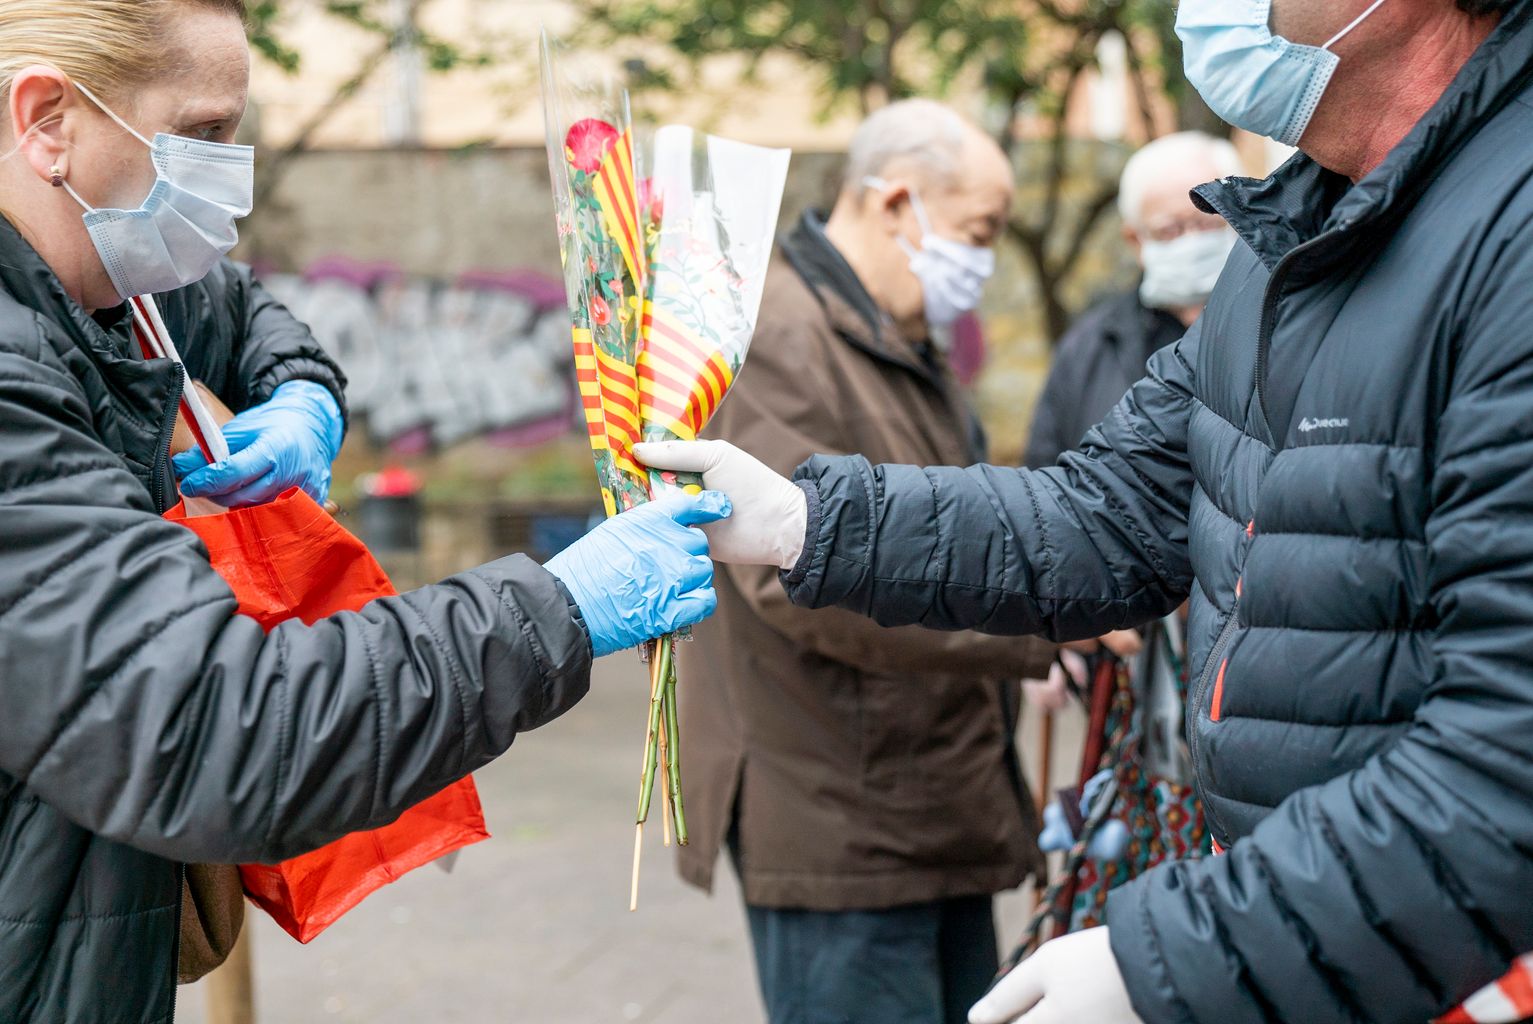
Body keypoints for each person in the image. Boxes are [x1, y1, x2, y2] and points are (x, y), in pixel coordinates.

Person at [638, 0, 1533, 1021]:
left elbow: (1507, 758)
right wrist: (808, 522)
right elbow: (1105, 511)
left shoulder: (1510, 230)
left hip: (1453, 961)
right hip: (1316, 933)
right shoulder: (1295, 236)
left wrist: (1182, 961)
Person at [0, 3, 724, 1021]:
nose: (229, 176)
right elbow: (214, 728)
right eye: (204, 134)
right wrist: (556, 608)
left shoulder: (108, 288)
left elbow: (241, 307)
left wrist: (304, 392)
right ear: (46, 121)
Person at [675, 98, 1056, 1024]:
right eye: (977, 232)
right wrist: (1042, 617)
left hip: (922, 799)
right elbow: (802, 579)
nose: (983, 262)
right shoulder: (777, 338)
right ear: (894, 203)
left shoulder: (890, 338)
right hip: (841, 814)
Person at [1023, 131, 1239, 472]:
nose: (1192, 241)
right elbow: (1048, 475)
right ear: (1135, 240)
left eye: (1206, 222)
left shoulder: (1281, 326)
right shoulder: (1088, 348)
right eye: (1170, 229)